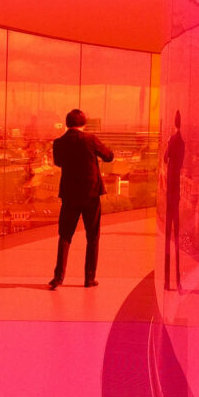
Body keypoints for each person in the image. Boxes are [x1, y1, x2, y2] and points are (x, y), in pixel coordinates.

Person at [49, 108, 114, 289]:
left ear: (67, 123)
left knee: (65, 235)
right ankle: (89, 278)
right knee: (92, 237)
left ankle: (58, 277)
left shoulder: (59, 142)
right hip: (91, 194)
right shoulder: (90, 140)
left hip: (69, 194)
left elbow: (58, 162)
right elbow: (108, 157)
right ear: (84, 123)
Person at [163, 110, 185, 291]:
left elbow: (165, 158)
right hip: (176, 185)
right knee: (175, 229)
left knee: (169, 230)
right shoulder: (182, 142)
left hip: (170, 184)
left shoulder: (172, 139)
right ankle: (176, 279)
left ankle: (167, 280)